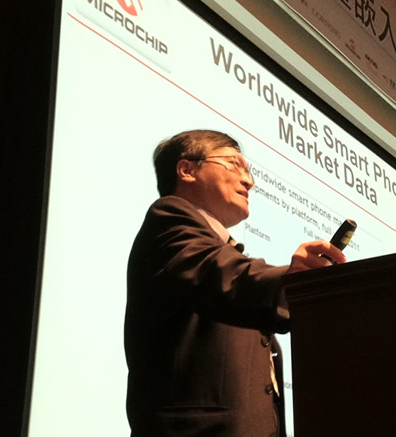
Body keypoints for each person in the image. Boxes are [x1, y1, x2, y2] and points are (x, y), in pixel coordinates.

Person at [124, 129, 346, 437]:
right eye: (233, 164)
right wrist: (293, 280)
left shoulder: (224, 251)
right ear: (187, 170)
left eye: (249, 171)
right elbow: (225, 276)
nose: (249, 181)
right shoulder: (168, 219)